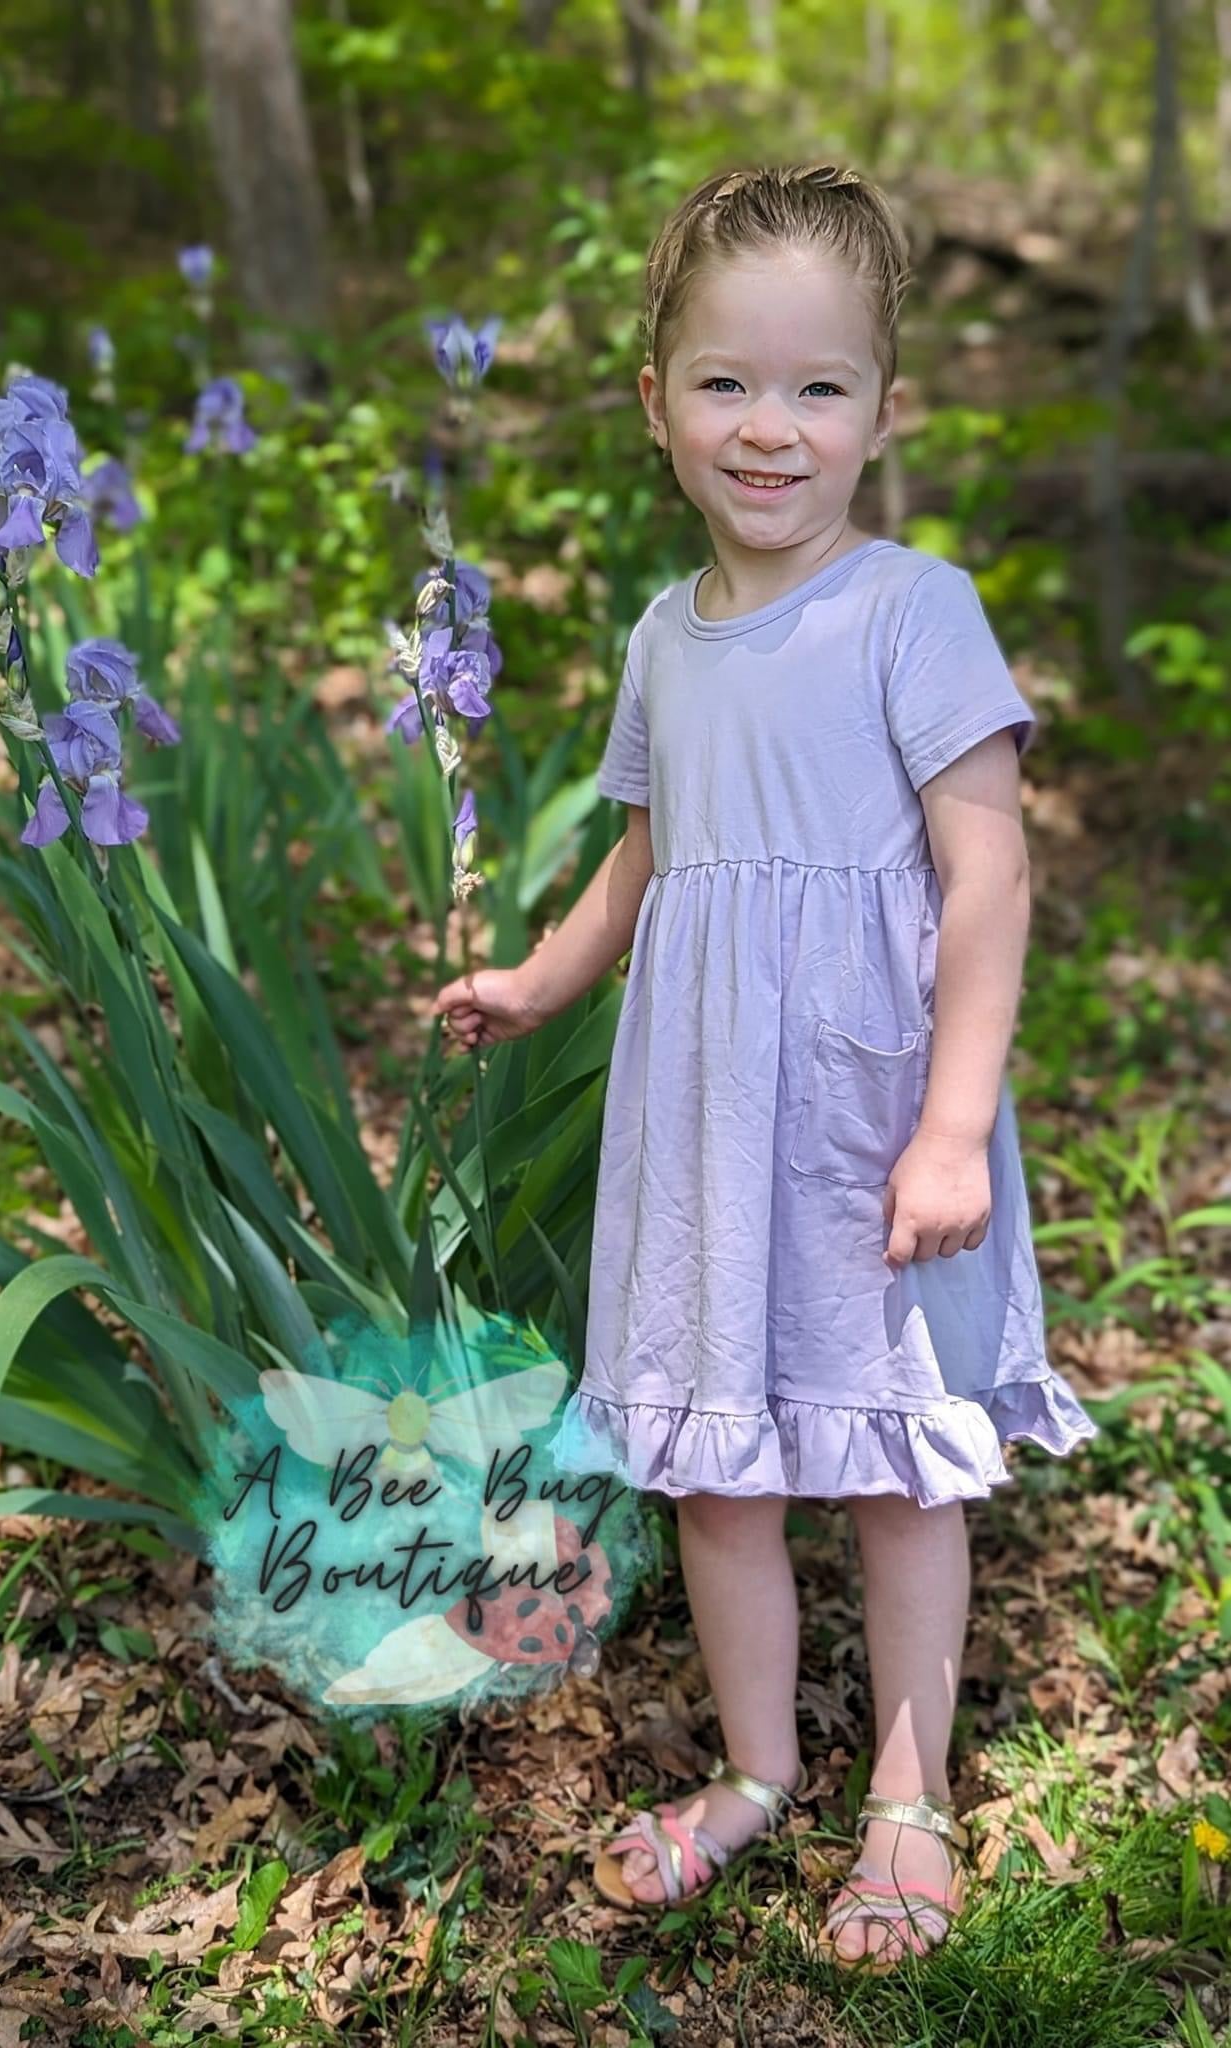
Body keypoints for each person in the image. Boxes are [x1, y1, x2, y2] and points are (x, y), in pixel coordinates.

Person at [430, 161, 1098, 1970]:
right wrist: (547, 980)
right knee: (723, 1471)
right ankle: (752, 1771)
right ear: (654, 404)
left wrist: (952, 1125)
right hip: (708, 1113)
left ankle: (902, 1791)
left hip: (873, 1109)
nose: (770, 429)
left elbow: (988, 870)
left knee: (890, 1465)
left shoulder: (908, 606)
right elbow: (651, 850)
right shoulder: (666, 635)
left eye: (817, 388)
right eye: (727, 382)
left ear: (886, 412)